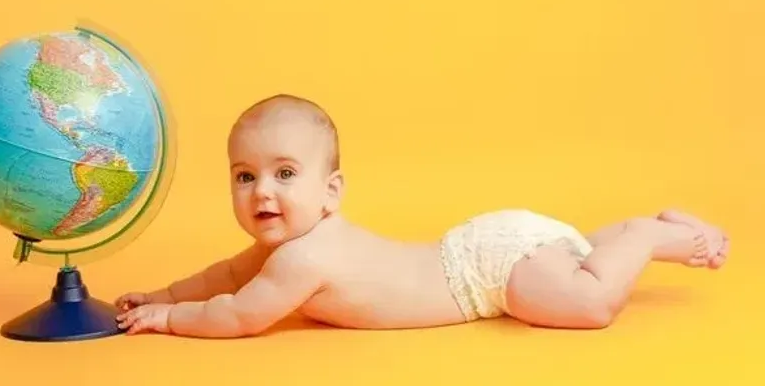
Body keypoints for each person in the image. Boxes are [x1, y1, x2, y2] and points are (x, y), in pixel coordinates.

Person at [114, 94, 730, 337]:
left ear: (331, 192)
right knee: (571, 259)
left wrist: (170, 316)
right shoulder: (283, 251)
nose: (261, 193)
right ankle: (667, 234)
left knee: (590, 305)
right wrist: (161, 290)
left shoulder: (304, 256)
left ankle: (648, 235)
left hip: (486, 273)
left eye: (284, 174)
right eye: (244, 177)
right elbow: (223, 276)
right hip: (491, 247)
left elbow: (238, 313)